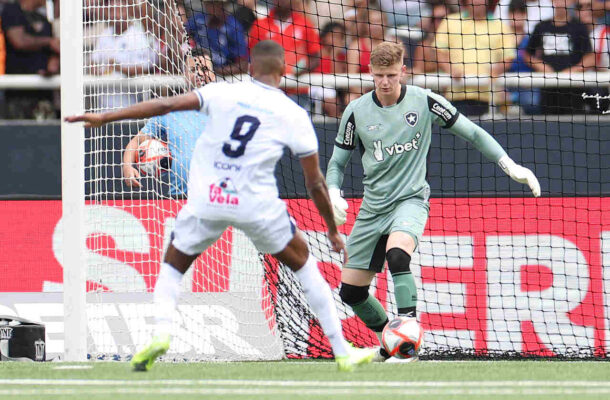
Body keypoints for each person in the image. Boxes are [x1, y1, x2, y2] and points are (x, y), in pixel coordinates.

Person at [66, 40, 376, 372]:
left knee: (172, 265)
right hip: (256, 205)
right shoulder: (293, 114)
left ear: (250, 70)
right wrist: (331, 229)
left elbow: (164, 105)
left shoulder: (221, 94)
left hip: (209, 200)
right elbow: (314, 183)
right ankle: (342, 351)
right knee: (305, 268)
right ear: (283, 72)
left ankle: (160, 333)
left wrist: (105, 117)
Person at [325, 42, 541, 362]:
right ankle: (395, 342)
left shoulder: (424, 101)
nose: (385, 82)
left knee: (398, 256)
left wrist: (509, 164)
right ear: (370, 73)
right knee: (351, 293)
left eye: (391, 75)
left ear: (403, 71)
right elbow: (337, 163)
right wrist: (332, 190)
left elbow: (472, 133)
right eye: (379, 75)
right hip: (372, 208)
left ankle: (409, 338)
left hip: (410, 199)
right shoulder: (356, 111)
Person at [122, 51, 215, 196]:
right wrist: (127, 167)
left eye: (204, 69)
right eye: (192, 70)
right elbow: (136, 141)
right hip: (179, 197)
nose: (199, 74)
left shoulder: (224, 108)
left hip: (216, 197)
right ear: (184, 75)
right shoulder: (171, 109)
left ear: (214, 74)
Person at [434, 0, 516, 116]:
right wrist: (450, 70)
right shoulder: (450, 22)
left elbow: (508, 58)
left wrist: (497, 70)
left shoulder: (501, 26)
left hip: (489, 98)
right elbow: (439, 52)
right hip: (456, 95)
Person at [525, 0, 592, 114]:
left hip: (573, 89)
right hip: (548, 89)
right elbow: (527, 54)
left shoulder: (579, 27)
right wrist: (541, 66)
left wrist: (573, 71)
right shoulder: (541, 27)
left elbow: (590, 57)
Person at [1, 0, 60, 119]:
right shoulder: (12, 10)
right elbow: (19, 41)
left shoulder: (43, 19)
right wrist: (49, 42)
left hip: (44, 92)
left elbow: (55, 51)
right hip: (18, 93)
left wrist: (51, 68)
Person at [186, 0, 248, 75]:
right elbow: (183, 39)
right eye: (210, 3)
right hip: (197, 70)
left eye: (216, 3)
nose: (213, 6)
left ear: (224, 5)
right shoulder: (196, 20)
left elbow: (243, 64)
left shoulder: (233, 26)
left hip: (223, 75)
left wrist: (215, 71)